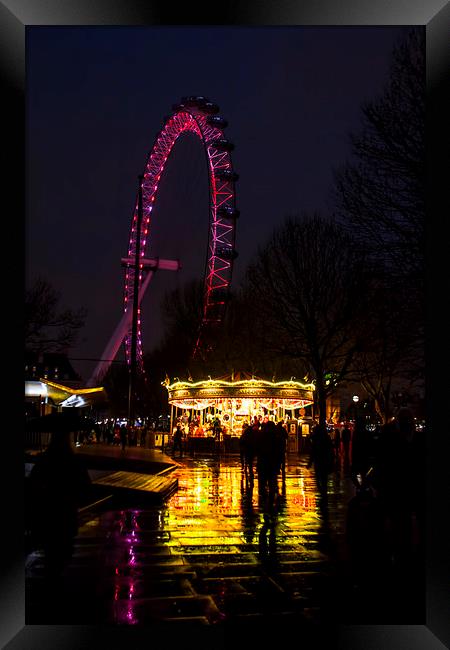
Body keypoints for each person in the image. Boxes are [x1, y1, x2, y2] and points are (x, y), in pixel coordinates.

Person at [28, 428, 92, 576]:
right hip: (66, 515)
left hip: (47, 515)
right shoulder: (74, 461)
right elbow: (85, 489)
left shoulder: (44, 460)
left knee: (49, 556)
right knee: (63, 556)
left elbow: (34, 485)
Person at [307, 423, 335, 495]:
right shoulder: (326, 437)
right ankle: (323, 490)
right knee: (323, 477)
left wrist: (310, 462)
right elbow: (330, 449)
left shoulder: (316, 439)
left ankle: (322, 490)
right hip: (324, 459)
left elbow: (313, 450)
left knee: (318, 476)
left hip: (319, 460)